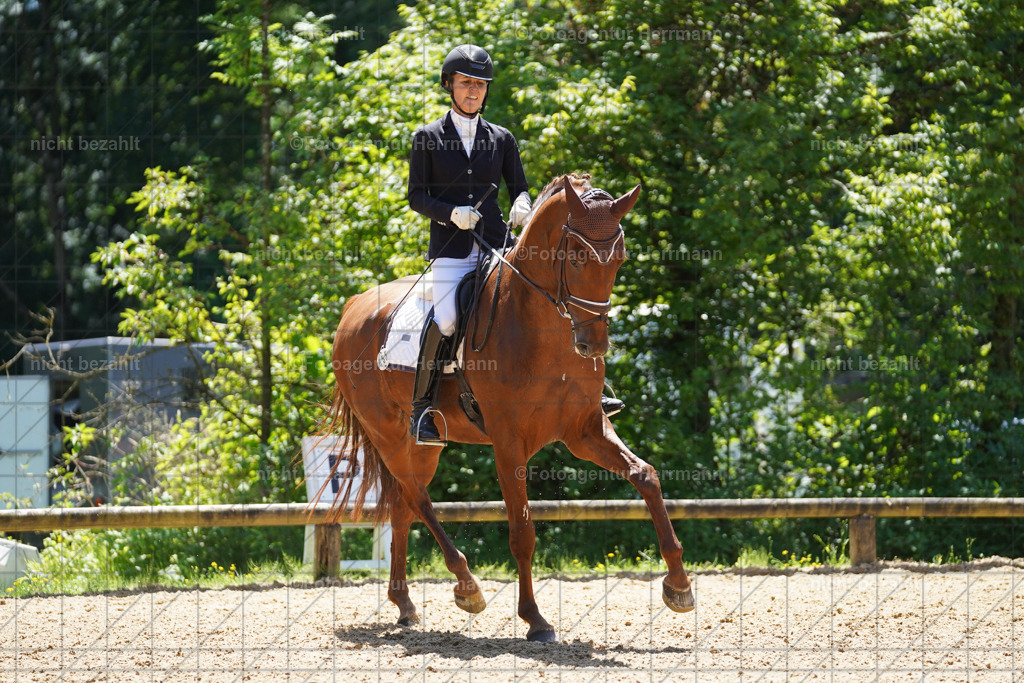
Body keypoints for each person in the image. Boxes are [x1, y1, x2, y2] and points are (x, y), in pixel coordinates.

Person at [407, 44, 623, 446]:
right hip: (452, 249)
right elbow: (416, 196)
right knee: (448, 317)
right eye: (466, 83)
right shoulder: (428, 137)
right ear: (449, 86)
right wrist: (451, 213)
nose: (473, 91)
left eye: (480, 85)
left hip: (497, 245)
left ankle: (593, 393)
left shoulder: (501, 138)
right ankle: (423, 410)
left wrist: (523, 204)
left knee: (552, 297)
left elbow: (518, 188)